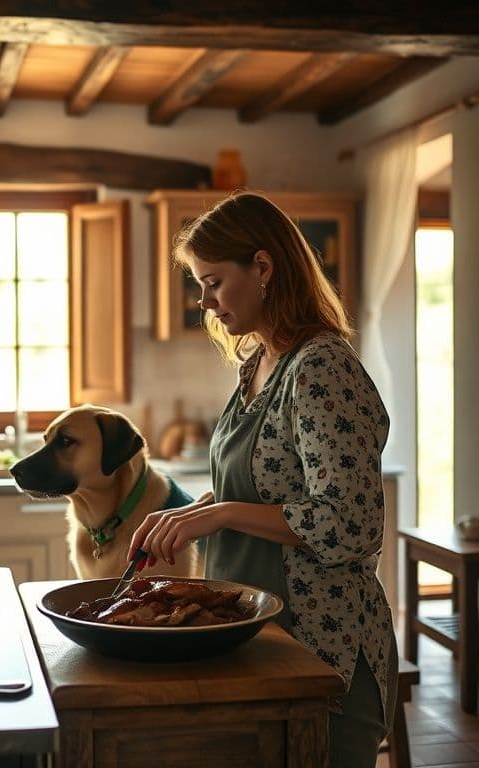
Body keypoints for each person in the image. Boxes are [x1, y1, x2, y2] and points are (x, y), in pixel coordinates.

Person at [128, 191, 397, 768]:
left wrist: (219, 514)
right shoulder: (261, 363)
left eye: (214, 282)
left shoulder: (321, 366)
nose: (205, 302)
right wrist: (192, 511)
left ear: (264, 267)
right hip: (262, 639)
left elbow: (348, 525)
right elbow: (263, 493)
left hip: (323, 653)